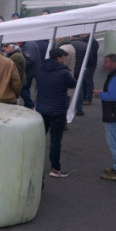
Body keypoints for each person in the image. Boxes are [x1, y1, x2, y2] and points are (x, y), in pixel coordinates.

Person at [34, 48, 77, 178]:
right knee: (55, 141)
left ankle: (35, 164)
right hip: (57, 110)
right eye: (64, 57)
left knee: (40, 139)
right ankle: (55, 168)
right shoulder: (63, 72)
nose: (65, 59)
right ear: (58, 58)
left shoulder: (40, 69)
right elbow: (72, 84)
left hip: (41, 108)